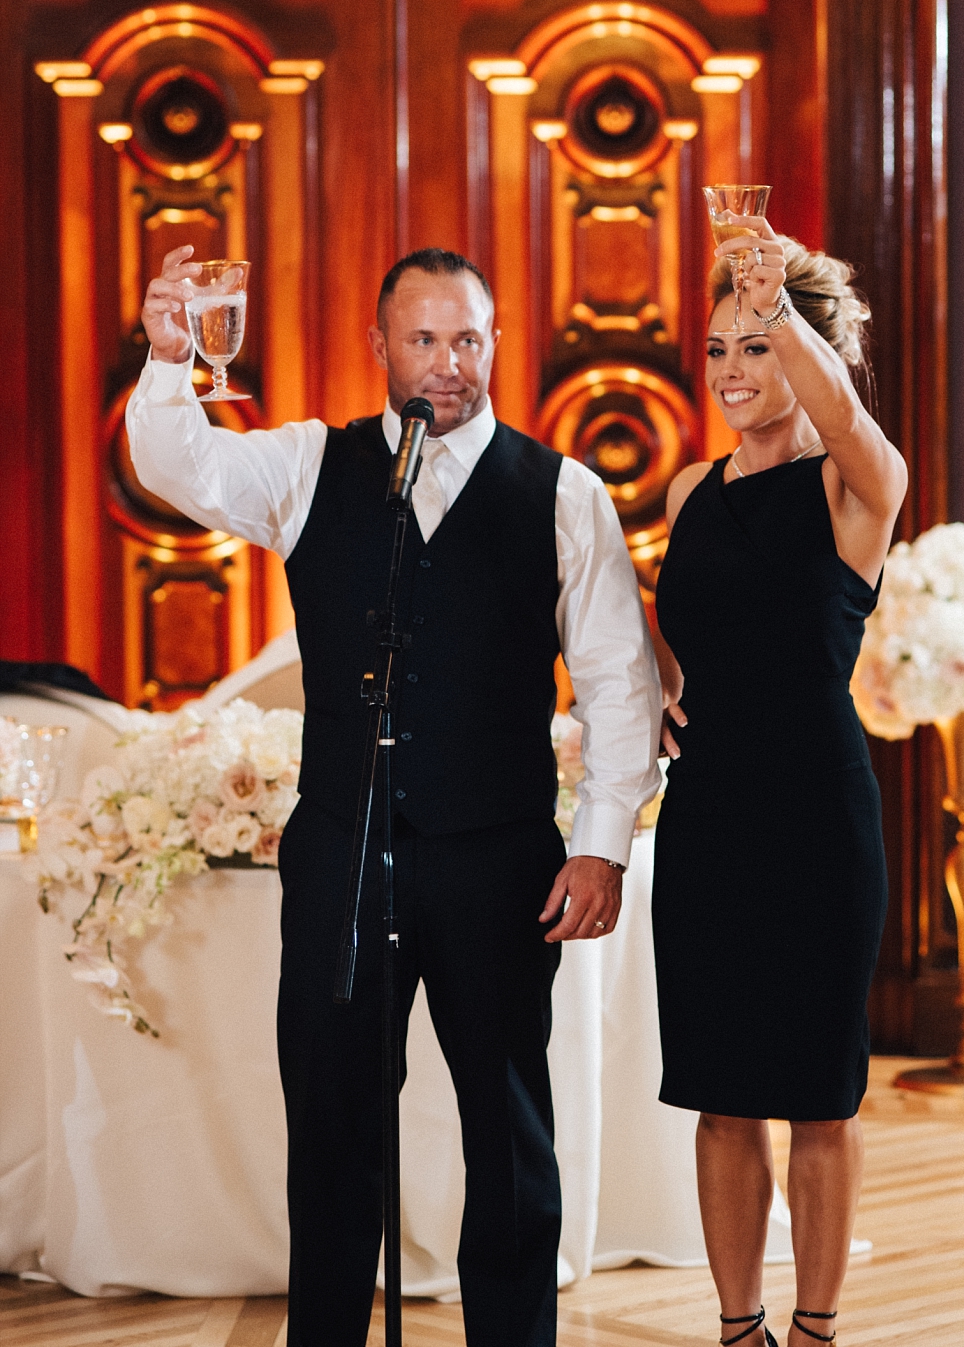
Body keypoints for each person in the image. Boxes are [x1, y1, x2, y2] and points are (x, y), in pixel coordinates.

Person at [127, 244, 662, 1347]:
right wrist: (170, 358)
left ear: (496, 342)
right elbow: (179, 465)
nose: (448, 364)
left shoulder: (565, 493)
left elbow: (619, 681)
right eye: (423, 340)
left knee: (509, 1134)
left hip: (500, 855)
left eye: (468, 338)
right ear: (381, 346)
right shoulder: (307, 466)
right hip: (342, 848)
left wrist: (600, 844)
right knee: (331, 1127)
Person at [650, 219, 906, 1347]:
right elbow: (678, 624)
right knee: (719, 1091)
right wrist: (659, 682)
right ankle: (736, 1328)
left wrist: (778, 297)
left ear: (811, 349)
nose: (730, 372)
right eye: (718, 348)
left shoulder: (860, 485)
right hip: (707, 818)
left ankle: (814, 1330)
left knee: (818, 1093)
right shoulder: (688, 490)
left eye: (756, 345)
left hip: (816, 819)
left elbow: (844, 417)